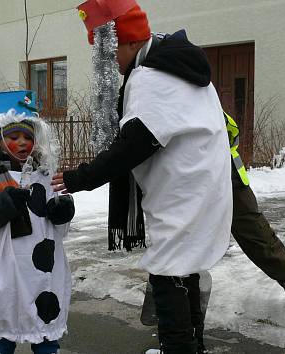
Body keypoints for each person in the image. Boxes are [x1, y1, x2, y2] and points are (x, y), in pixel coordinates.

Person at [53, 1, 233, 353]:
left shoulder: (151, 77)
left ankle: (178, 348)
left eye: (110, 54)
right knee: (185, 269)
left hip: (183, 193)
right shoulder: (178, 66)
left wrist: (80, 178)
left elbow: (134, 144)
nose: (110, 64)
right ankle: (190, 346)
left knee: (170, 274)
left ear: (131, 43)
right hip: (201, 187)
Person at [0, 90, 75, 354]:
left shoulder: (43, 175)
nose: (23, 142)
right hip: (7, 270)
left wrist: (62, 210)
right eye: (14, 137)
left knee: (45, 325)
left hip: (43, 270)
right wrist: (7, 202)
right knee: (6, 326)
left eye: (28, 137)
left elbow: (57, 218)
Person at [224, 112, 285, 312]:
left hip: (228, 177)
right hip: (183, 182)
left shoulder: (203, 92)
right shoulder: (155, 90)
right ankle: (169, 295)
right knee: (178, 238)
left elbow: (232, 131)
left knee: (256, 232)